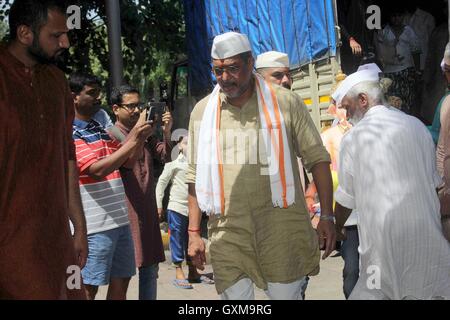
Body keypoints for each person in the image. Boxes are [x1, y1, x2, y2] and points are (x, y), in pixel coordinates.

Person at [187, 32, 336, 300]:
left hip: (281, 230)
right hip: (228, 233)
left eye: (233, 68)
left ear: (250, 62)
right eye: (218, 70)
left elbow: (318, 159)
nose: (225, 78)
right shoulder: (203, 112)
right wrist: (194, 233)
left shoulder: (285, 102)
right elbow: (194, 176)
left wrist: (327, 216)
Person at [333, 67, 450, 299]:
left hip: (383, 249)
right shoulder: (416, 126)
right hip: (426, 242)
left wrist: (336, 227)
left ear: (363, 100)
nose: (345, 115)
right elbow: (436, 186)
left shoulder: (353, 139)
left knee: (375, 289)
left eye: (347, 107)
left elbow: (346, 199)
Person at [0, 0, 87, 299]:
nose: (65, 42)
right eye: (55, 35)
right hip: (10, 243)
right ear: (25, 33)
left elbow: (68, 158)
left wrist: (79, 226)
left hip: (55, 238)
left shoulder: (57, 82)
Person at [71, 74, 153, 300]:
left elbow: (126, 161)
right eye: (91, 93)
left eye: (99, 92)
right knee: (88, 287)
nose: (98, 98)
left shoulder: (99, 127)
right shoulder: (69, 132)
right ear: (73, 98)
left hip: (119, 220)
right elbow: (97, 170)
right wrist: (134, 137)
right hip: (94, 226)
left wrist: (140, 138)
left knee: (122, 281)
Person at [109, 85, 171, 300]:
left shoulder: (144, 131)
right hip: (124, 211)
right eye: (131, 106)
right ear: (116, 109)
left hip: (145, 208)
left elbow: (165, 156)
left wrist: (166, 130)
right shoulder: (111, 133)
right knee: (122, 274)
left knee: (150, 268)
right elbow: (127, 163)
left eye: (139, 105)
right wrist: (139, 135)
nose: (136, 111)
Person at [156, 136, 214, 290]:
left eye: (193, 143)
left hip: (194, 211)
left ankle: (193, 272)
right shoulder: (173, 164)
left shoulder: (200, 165)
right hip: (176, 208)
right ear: (179, 147)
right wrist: (158, 205)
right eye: (186, 143)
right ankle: (178, 270)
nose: (190, 146)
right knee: (177, 239)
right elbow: (161, 184)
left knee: (192, 240)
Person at [374, 7, 421, 114]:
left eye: (399, 16)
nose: (396, 19)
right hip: (389, 74)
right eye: (393, 16)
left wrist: (417, 70)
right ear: (390, 17)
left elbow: (416, 51)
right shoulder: (384, 31)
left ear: (403, 16)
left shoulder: (408, 31)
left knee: (408, 101)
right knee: (392, 102)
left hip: (407, 72)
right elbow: (380, 52)